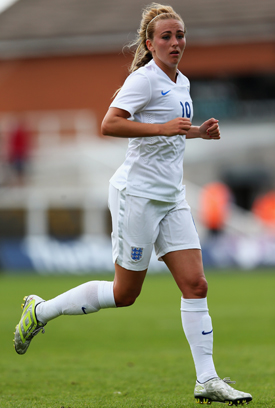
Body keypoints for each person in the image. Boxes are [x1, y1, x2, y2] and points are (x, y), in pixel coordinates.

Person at [14, 3, 252, 405]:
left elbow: (167, 134)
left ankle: (207, 380)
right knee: (125, 294)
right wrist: (162, 126)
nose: (176, 42)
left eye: (180, 35)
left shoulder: (182, 82)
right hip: (136, 196)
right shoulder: (143, 80)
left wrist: (196, 133)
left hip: (171, 197)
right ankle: (40, 311)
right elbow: (109, 124)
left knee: (196, 284)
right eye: (167, 36)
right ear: (150, 42)